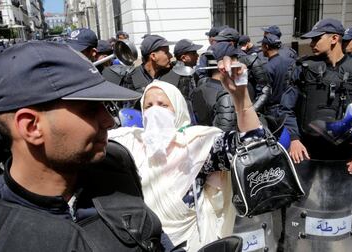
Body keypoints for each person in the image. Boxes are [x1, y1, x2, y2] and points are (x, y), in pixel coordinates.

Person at [0, 41, 174, 251]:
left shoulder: (115, 165)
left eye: (105, 106)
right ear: (31, 126)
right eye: (89, 109)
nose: (109, 121)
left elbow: (156, 238)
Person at [108, 55, 264, 250]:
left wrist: (241, 97)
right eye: (148, 106)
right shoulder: (131, 143)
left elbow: (253, 145)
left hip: (190, 243)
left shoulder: (197, 144)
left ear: (179, 109)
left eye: (163, 105)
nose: (155, 112)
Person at [280, 18, 352, 174]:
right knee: (301, 197)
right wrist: (294, 139)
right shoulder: (303, 69)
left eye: (317, 38)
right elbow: (286, 108)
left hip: (347, 156)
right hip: (307, 152)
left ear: (334, 38)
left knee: (341, 197)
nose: (311, 44)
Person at [259, 34, 295, 117]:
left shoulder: (267, 67)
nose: (261, 49)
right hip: (288, 106)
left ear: (266, 46)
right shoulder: (289, 62)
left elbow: (263, 92)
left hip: (273, 110)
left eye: (262, 46)